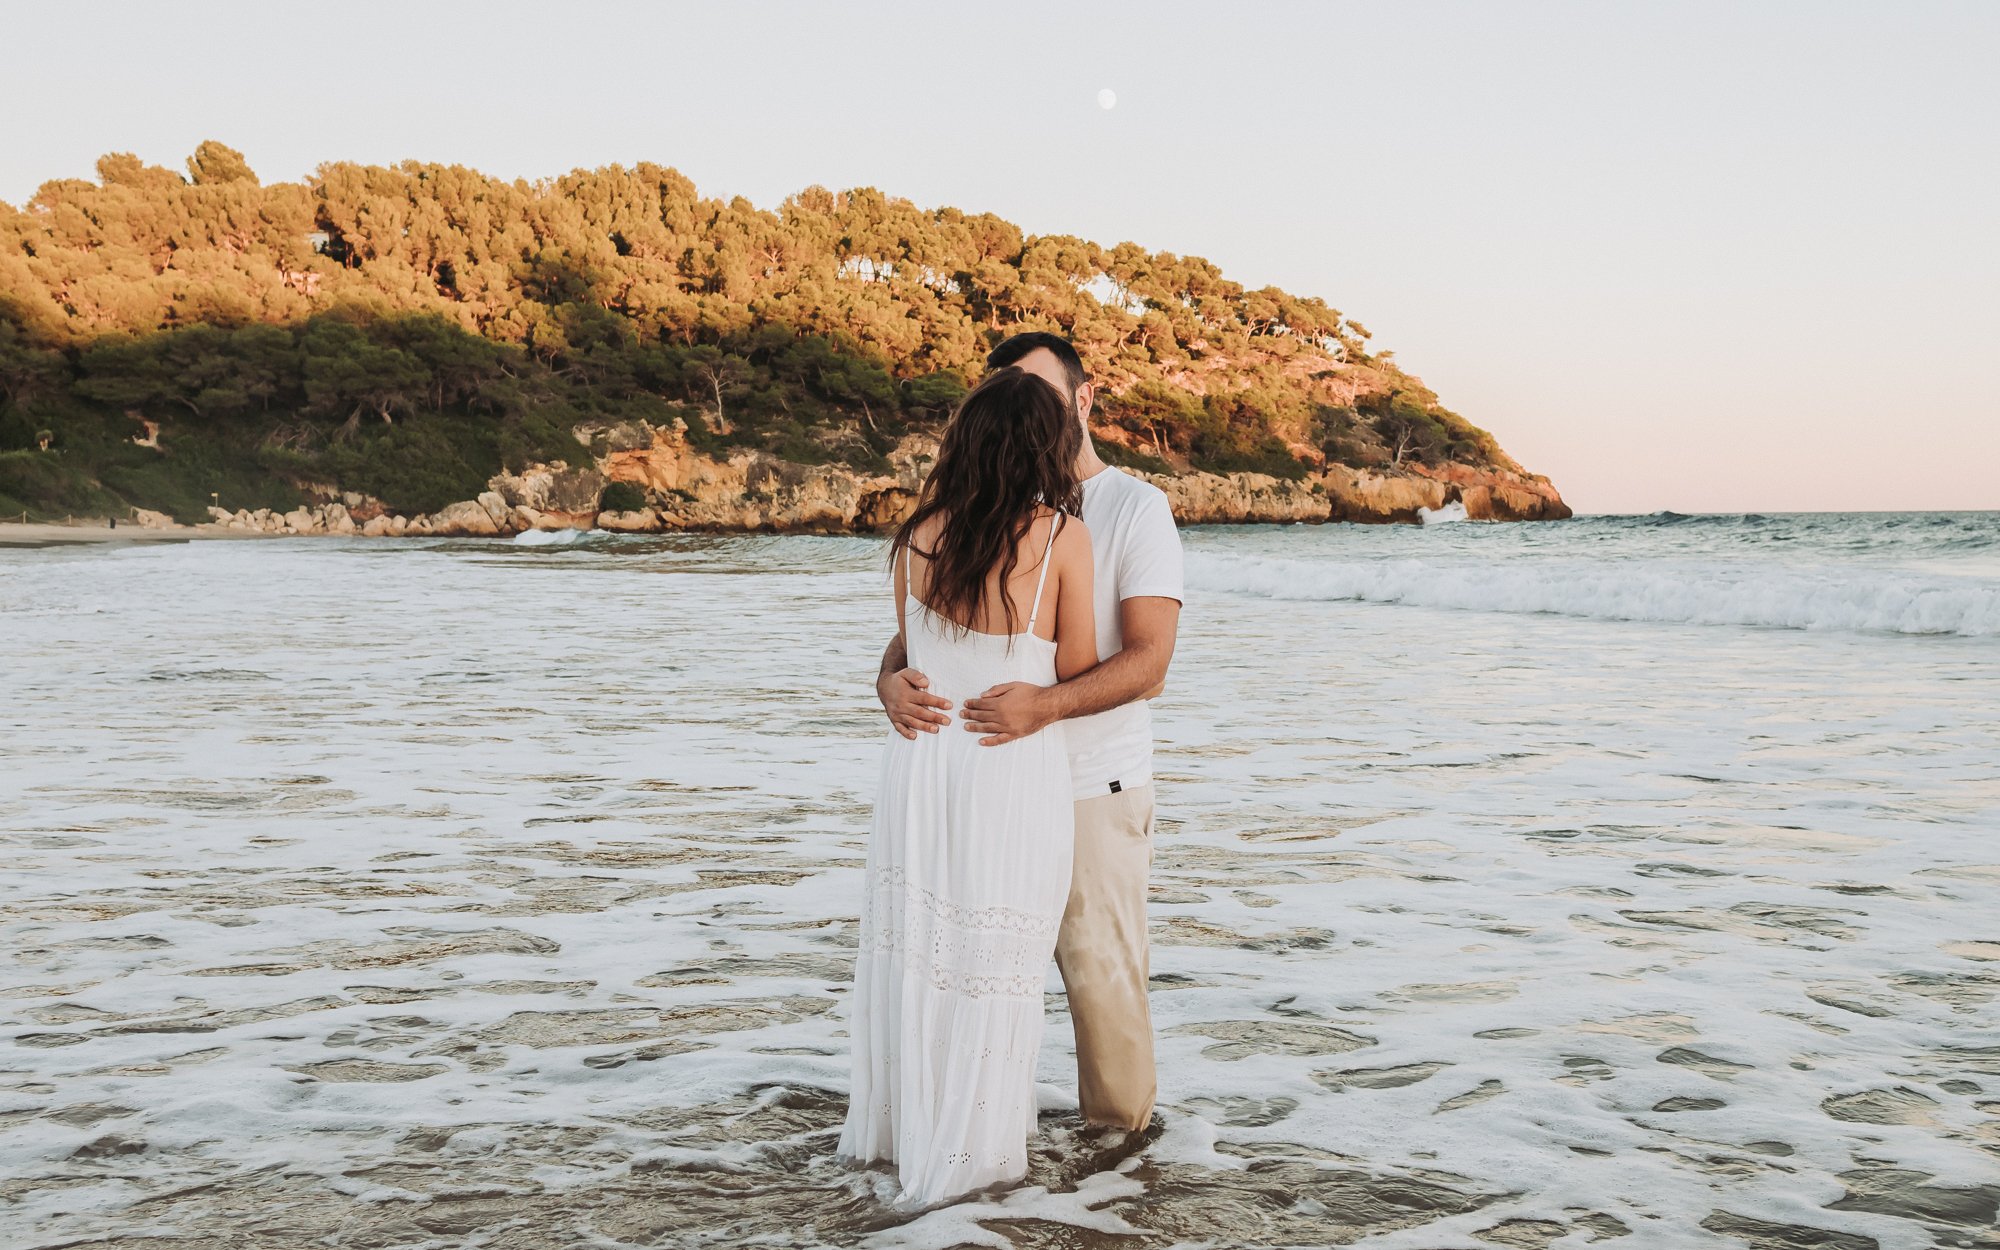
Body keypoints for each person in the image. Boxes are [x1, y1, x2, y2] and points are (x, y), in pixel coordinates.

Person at [875, 332, 1185, 1136]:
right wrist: (886, 681)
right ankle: (984, 1145)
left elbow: (1150, 664)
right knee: (969, 974)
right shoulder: (981, 516)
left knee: (1101, 991)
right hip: (988, 784)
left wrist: (1042, 708)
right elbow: (921, 636)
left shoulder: (1133, 508)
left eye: (1042, 391)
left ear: (1081, 401)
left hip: (1090, 788)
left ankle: (1116, 1182)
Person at [838, 366, 1099, 1207]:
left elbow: (908, 653)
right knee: (996, 959)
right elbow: (1080, 670)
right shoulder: (1063, 539)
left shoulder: (918, 535)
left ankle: (904, 1138)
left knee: (921, 954)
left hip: (921, 765)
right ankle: (973, 1164)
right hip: (1008, 768)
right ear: (1044, 449)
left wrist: (887, 684)